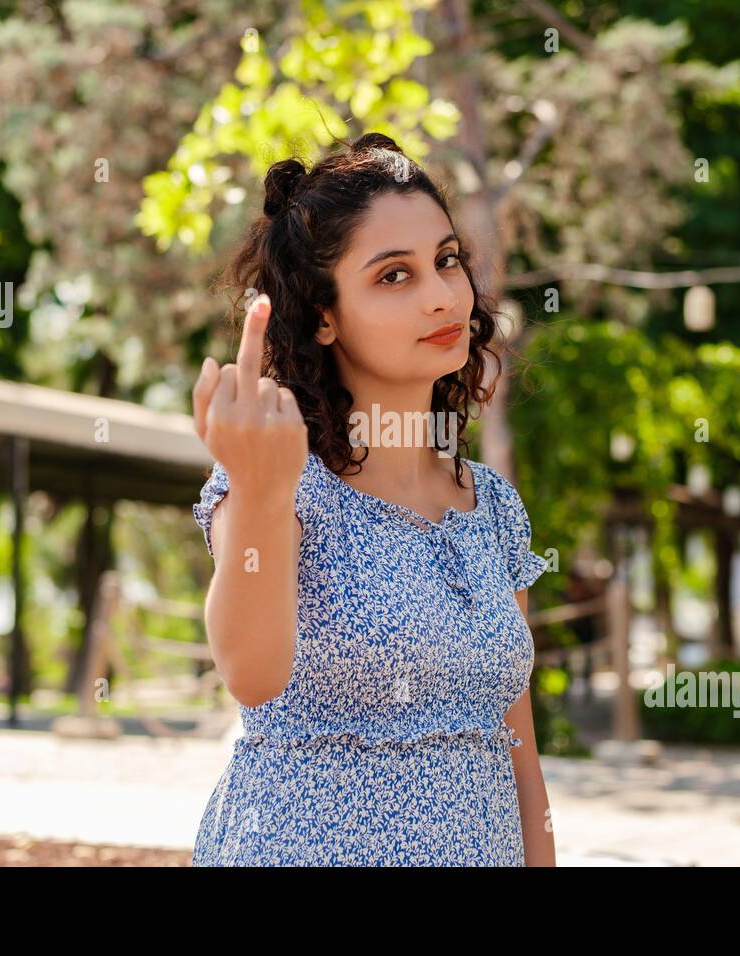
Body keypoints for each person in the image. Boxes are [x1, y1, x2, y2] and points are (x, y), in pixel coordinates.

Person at [188, 133, 554, 866]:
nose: (442, 295)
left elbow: (518, 750)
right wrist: (261, 487)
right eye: (394, 276)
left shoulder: (496, 508)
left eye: (446, 261)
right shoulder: (275, 485)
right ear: (323, 316)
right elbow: (252, 676)